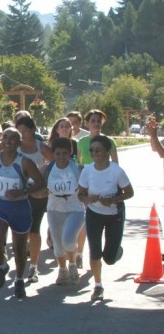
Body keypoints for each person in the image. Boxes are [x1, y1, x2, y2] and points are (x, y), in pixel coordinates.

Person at [0, 127, 45, 299]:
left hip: (19, 209)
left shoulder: (24, 162)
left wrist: (23, 191)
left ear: (18, 143)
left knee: (19, 248)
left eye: (12, 139)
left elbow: (41, 183)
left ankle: (18, 279)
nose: (8, 141)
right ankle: (2, 265)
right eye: (6, 138)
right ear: (2, 140)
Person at [77, 135, 133, 301]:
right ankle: (98, 285)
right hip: (94, 214)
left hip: (114, 214)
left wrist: (113, 199)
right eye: (92, 150)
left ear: (107, 152)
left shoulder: (116, 171)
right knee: (94, 251)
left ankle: (115, 251)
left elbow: (130, 192)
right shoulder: (87, 170)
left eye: (98, 150)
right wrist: (88, 199)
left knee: (109, 258)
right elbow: (80, 194)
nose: (95, 153)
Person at [76, 109, 118, 269]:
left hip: (105, 185)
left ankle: (109, 248)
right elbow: (79, 163)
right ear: (88, 123)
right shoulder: (82, 142)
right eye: (93, 121)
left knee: (101, 220)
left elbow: (115, 164)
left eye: (98, 121)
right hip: (87, 185)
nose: (96, 124)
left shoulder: (109, 141)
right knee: (86, 220)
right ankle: (80, 253)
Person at [15, 115, 53, 285]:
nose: (22, 134)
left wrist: (47, 186)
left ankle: (34, 266)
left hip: (38, 192)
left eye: (25, 130)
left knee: (34, 229)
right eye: (19, 131)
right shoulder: (15, 147)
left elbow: (57, 163)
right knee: (20, 231)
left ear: (32, 130)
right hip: (20, 193)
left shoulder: (41, 147)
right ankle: (20, 265)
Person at [45, 137, 85, 286]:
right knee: (58, 244)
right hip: (54, 210)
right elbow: (40, 186)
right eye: (57, 154)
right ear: (53, 154)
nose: (61, 157)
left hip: (75, 209)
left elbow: (87, 188)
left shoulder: (77, 169)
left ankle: (72, 264)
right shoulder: (48, 169)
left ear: (70, 153)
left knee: (68, 240)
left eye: (64, 153)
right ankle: (62, 270)